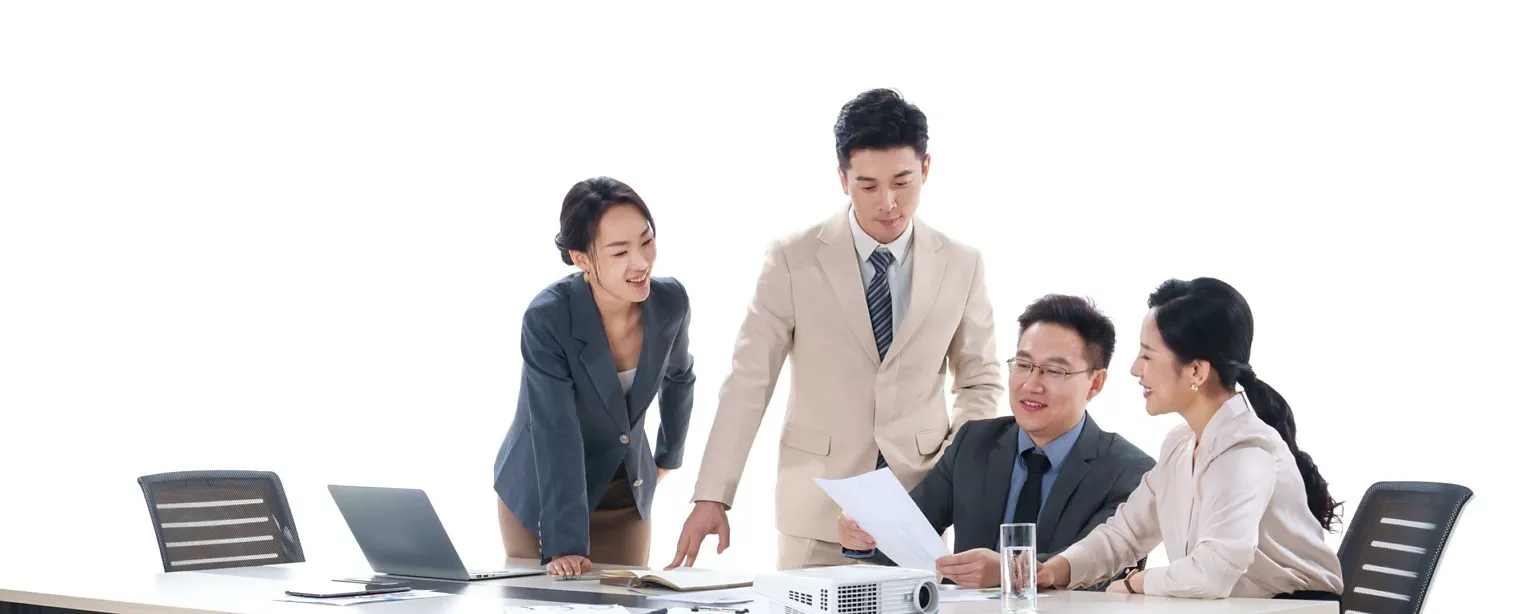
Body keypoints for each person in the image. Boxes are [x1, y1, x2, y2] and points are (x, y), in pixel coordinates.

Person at [669, 89, 1003, 570]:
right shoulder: (792, 258)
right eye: (867, 186)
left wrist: (943, 478)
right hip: (816, 514)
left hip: (918, 508)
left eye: (902, 182)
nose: (887, 203)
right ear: (842, 179)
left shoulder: (962, 264)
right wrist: (712, 497)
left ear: (926, 168)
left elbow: (979, 382)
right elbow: (748, 381)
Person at [1036, 278, 1344, 600]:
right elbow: (1125, 534)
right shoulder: (1180, 445)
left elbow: (1213, 572)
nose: (1134, 369)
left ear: (1196, 371)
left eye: (1147, 355)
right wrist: (1056, 570)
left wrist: (1134, 582)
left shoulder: (1246, 452)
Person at [836, 295, 1155, 589]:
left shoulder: (1129, 472)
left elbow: (1101, 569)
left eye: (1054, 371)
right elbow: (907, 536)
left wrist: (1010, 570)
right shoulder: (975, 442)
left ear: (1095, 383)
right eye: (1024, 364)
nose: (1031, 384)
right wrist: (865, 536)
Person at [492, 177, 696, 576]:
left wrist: (667, 456)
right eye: (619, 252)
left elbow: (680, 376)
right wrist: (564, 545)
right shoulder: (548, 317)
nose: (640, 263)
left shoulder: (670, 301)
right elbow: (555, 428)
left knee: (628, 601)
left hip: (624, 489)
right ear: (582, 258)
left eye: (646, 241)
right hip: (543, 492)